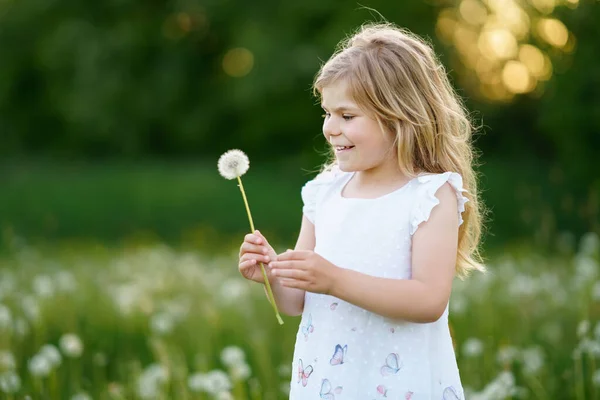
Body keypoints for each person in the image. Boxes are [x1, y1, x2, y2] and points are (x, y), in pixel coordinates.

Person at [238, 22, 485, 399]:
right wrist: (272, 275)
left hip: (401, 385)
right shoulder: (325, 193)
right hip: (327, 383)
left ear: (400, 117)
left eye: (347, 116)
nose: (330, 129)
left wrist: (334, 279)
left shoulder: (429, 196)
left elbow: (428, 300)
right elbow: (298, 301)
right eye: (327, 113)